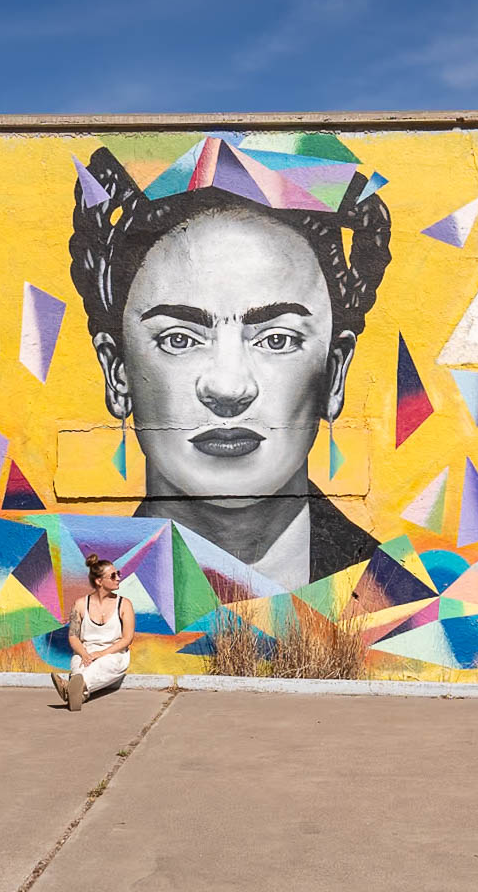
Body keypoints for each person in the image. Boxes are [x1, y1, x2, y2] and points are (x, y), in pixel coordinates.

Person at [68, 145, 391, 590]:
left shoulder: (402, 602)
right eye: (179, 339)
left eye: (277, 339)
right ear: (117, 373)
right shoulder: (61, 592)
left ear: (334, 374)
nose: (227, 386)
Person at [50, 554, 135, 711]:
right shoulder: (81, 604)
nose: (118, 578)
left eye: (118, 574)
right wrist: (84, 654)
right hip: (85, 651)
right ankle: (78, 694)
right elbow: (73, 636)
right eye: (113, 575)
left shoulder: (124, 604)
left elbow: (127, 639)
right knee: (79, 666)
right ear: (99, 581)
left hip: (114, 653)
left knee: (100, 666)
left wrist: (102, 653)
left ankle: (70, 689)